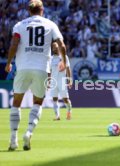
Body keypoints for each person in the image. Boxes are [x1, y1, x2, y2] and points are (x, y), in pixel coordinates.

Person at [5, 0, 66, 151]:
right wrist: (63, 61)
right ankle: (28, 132)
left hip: (23, 67)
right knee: (38, 102)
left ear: (29, 10)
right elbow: (62, 45)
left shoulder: (20, 25)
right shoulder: (51, 24)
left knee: (16, 102)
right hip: (41, 69)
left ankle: (13, 139)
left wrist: (8, 62)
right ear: (42, 10)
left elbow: (14, 44)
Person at [49, 42, 72, 121]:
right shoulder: (50, 58)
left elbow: (68, 69)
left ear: (59, 48)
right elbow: (49, 71)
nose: (54, 48)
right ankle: (57, 116)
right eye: (53, 47)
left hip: (62, 81)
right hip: (53, 81)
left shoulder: (64, 57)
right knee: (54, 98)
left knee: (65, 99)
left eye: (56, 47)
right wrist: (48, 81)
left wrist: (70, 80)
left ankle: (69, 112)